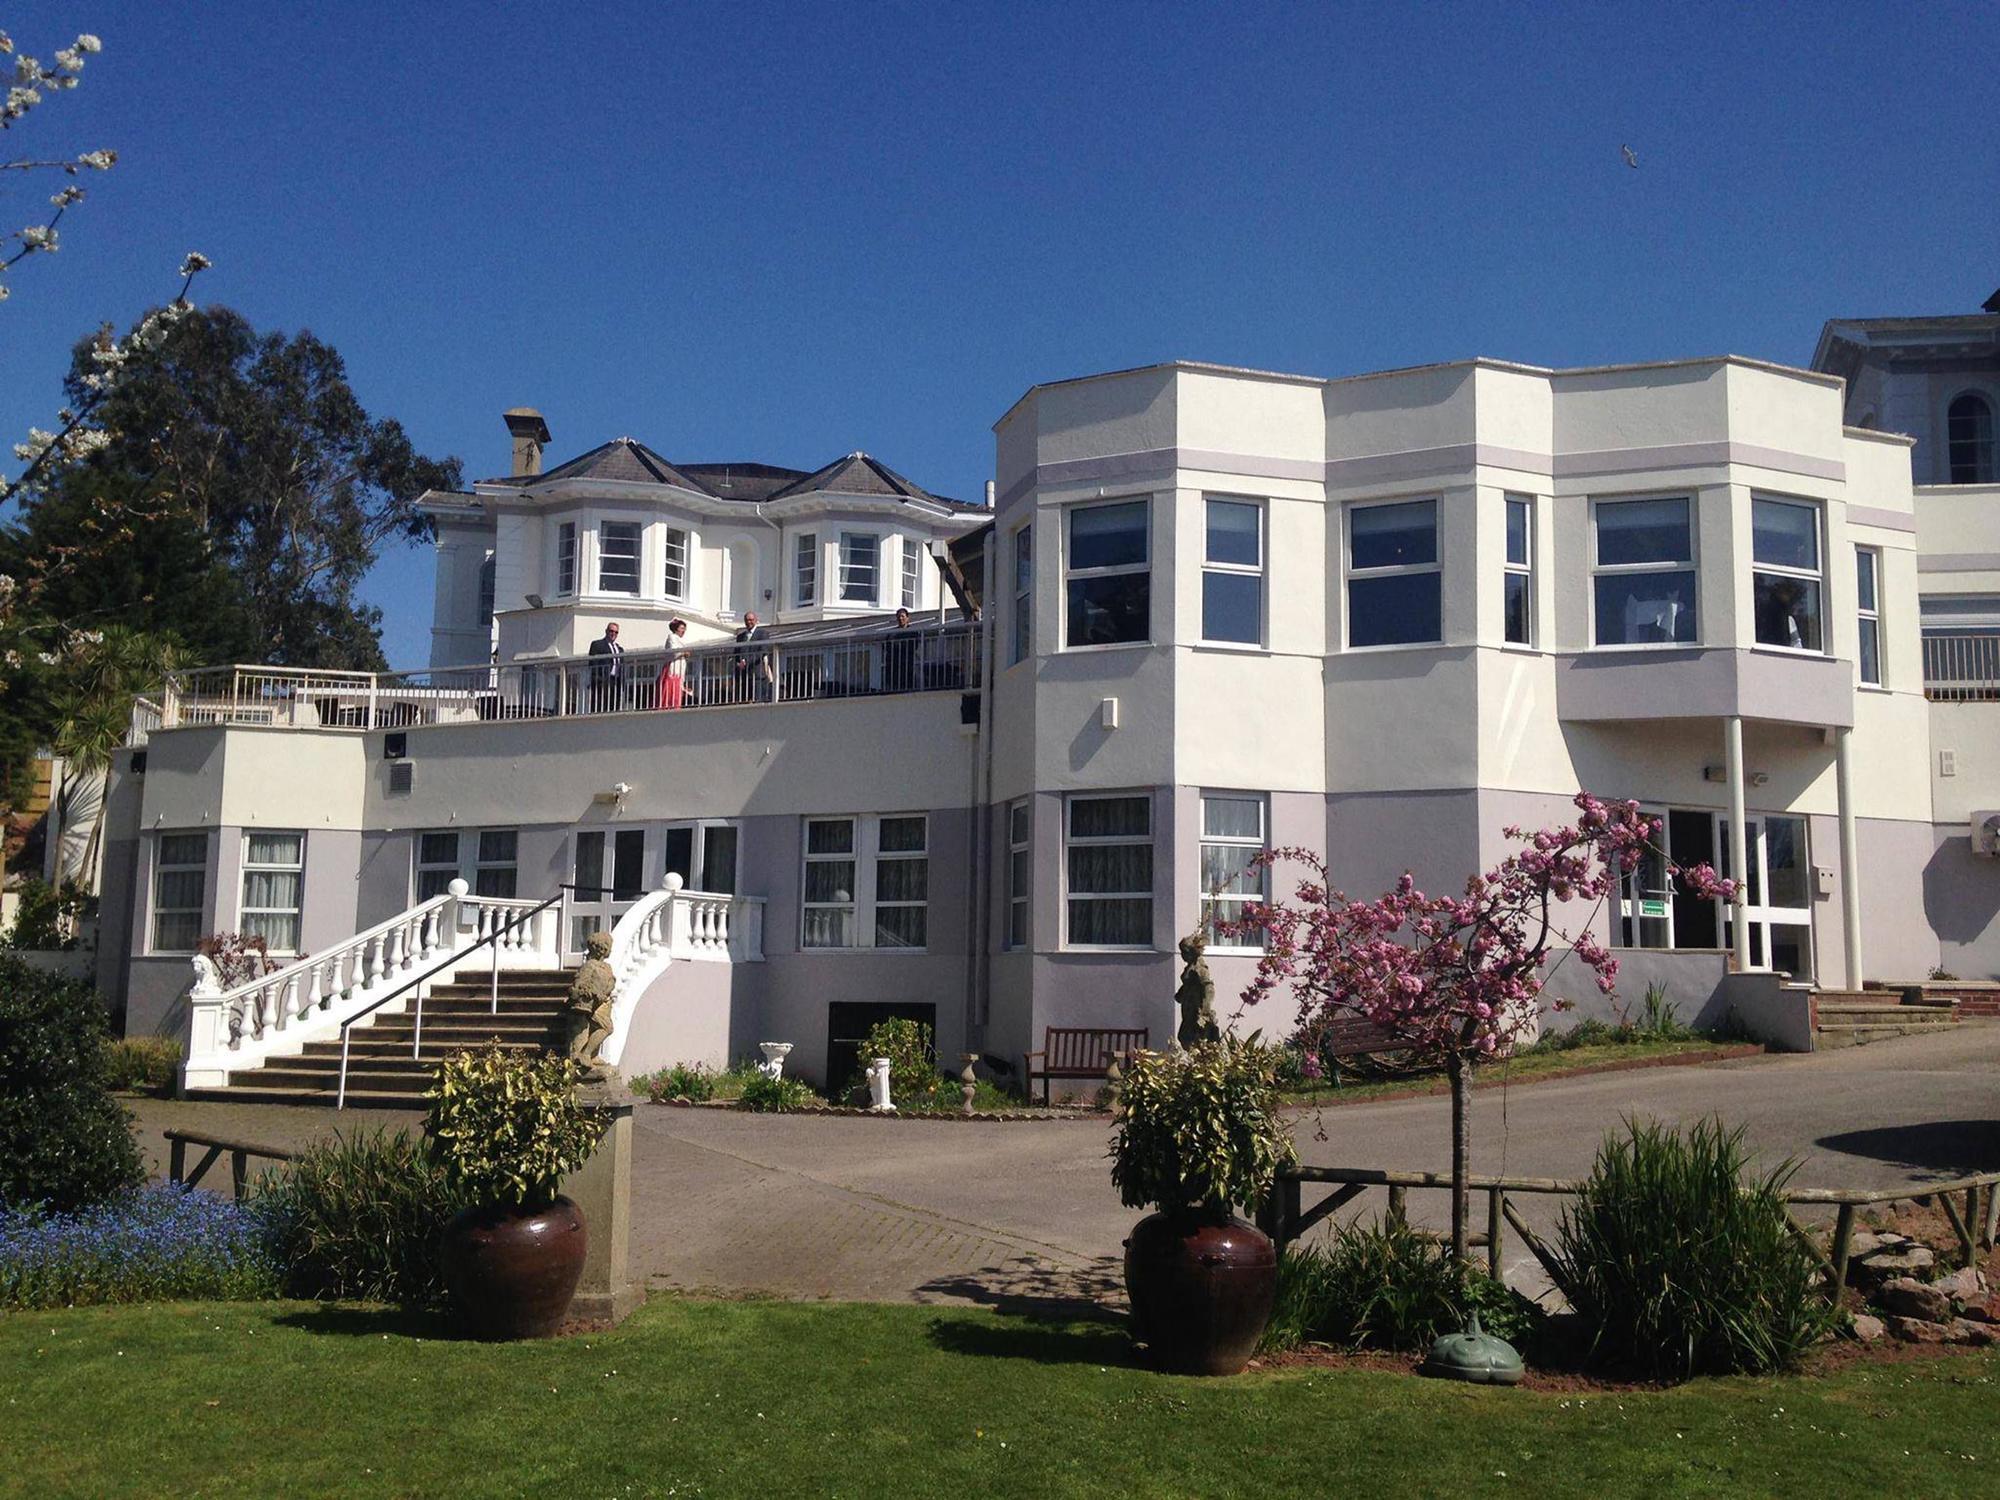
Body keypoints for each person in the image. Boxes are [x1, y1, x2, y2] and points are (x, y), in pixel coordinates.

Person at [732, 611, 774, 703]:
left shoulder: (762, 634)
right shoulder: (740, 637)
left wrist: (747, 661)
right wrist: (739, 662)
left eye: (751, 620)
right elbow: (736, 652)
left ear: (756, 620)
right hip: (744, 675)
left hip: (757, 674)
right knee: (744, 701)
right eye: (746, 620)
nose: (749, 622)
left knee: (757, 700)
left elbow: (762, 651)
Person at [587, 622, 624, 711]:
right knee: (601, 706)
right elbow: (593, 663)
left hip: (616, 681)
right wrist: (598, 680)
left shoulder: (620, 649)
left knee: (614, 706)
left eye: (616, 632)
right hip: (603, 681)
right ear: (606, 631)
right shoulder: (597, 645)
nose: (613, 634)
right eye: (611, 631)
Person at [884, 606, 921, 692]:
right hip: (894, 664)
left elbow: (913, 646)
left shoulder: (912, 631)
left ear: (907, 618)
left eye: (902, 616)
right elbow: (888, 646)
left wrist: (899, 646)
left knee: (907, 684)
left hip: (907, 663)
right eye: (899, 617)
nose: (900, 618)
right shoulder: (892, 633)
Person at [656, 618, 689, 709]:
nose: (683, 631)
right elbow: (674, 651)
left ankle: (675, 706)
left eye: (684, 629)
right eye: (682, 628)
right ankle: (669, 707)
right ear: (676, 628)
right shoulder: (672, 637)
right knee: (670, 691)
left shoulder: (678, 639)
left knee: (676, 690)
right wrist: (683, 653)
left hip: (678, 669)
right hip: (672, 669)